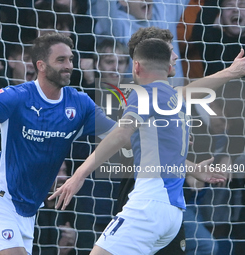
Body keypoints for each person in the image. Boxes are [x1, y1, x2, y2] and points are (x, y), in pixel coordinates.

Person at [49, 38, 228, 254]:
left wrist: (78, 176)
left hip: (148, 204)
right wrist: (193, 168)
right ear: (169, 67)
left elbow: (121, 135)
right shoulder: (177, 101)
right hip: (173, 212)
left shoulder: (144, 93)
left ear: (136, 66)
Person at [0, 32, 116, 255]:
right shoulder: (18, 97)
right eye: (61, 60)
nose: (68, 65)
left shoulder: (80, 104)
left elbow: (118, 134)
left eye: (70, 59)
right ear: (41, 65)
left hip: (28, 212)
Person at [33, 161, 77, 255]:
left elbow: (89, 240)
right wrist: (56, 252)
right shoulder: (29, 208)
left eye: (64, 171)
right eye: (56, 171)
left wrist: (76, 238)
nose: (63, 177)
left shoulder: (72, 203)